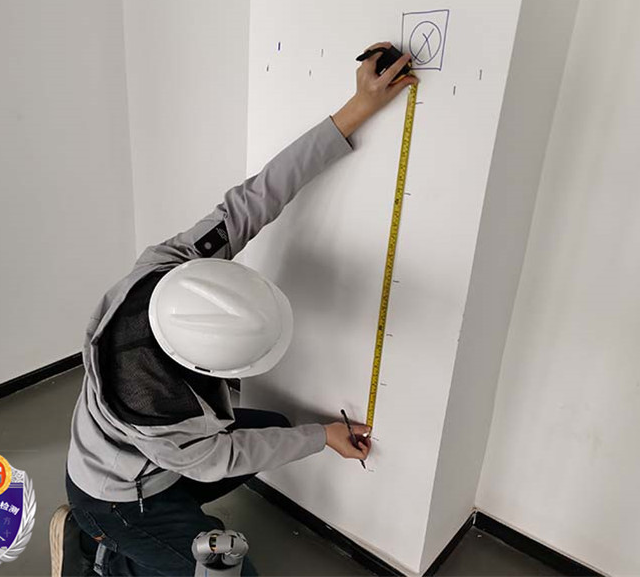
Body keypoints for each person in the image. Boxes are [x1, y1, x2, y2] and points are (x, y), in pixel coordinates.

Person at [51, 42, 417, 577]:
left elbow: (256, 198)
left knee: (272, 425)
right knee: (229, 572)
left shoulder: (167, 269)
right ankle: (102, 555)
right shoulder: (162, 415)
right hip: (120, 500)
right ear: (200, 367)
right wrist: (322, 437)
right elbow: (223, 457)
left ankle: (117, 543)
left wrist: (358, 107)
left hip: (131, 462)